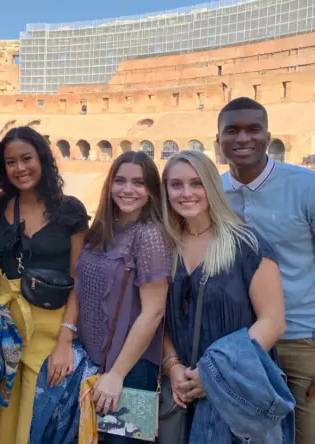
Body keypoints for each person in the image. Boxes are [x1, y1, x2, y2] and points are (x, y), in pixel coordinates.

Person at [161, 150, 287, 441]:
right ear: (166, 190)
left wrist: (216, 374)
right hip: (181, 392)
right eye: (176, 184)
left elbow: (273, 321)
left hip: (236, 391)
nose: (186, 193)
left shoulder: (247, 244)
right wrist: (173, 365)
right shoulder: (164, 246)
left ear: (212, 187)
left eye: (196, 183)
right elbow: (160, 316)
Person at [217, 97, 315, 443]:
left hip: (301, 341)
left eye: (252, 129)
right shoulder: (213, 192)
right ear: (218, 141)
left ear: (267, 136)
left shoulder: (305, 187)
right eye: (232, 130)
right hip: (241, 343)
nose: (242, 138)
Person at [0, 126, 89, 444]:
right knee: (2, 419)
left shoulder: (69, 210)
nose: (20, 168)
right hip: (6, 331)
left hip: (51, 329)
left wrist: (65, 342)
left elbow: (79, 279)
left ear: (42, 158)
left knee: (37, 418)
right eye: (11, 162)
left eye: (27, 158)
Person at [75, 151, 171, 443]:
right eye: (120, 181)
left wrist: (117, 374)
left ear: (151, 189)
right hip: (96, 364)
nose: (128, 189)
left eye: (139, 183)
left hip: (132, 369)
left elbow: (154, 312)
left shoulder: (150, 235)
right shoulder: (104, 228)